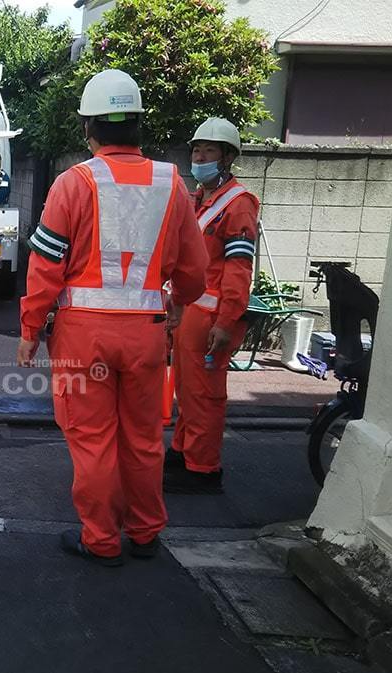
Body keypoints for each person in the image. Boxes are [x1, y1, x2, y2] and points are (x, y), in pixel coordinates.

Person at [17, 69, 208, 567]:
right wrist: (179, 303)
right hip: (146, 334)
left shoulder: (72, 184)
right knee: (144, 438)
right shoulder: (173, 184)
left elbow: (45, 266)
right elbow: (194, 270)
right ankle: (146, 533)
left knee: (93, 440)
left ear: (89, 128)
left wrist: (30, 330)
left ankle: (101, 540)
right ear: (138, 125)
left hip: (84, 337)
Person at [163, 117, 260, 494]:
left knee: (205, 395)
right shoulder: (201, 199)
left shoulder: (238, 205)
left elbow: (239, 268)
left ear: (227, 158)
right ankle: (184, 450)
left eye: (209, 150)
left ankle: (203, 469)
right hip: (191, 314)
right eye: (196, 149)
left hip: (212, 319)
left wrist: (225, 321)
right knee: (186, 390)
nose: (199, 156)